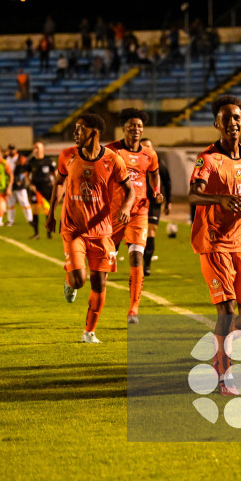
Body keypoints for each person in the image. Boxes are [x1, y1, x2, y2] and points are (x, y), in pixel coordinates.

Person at [189, 95, 241, 396]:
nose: (232, 122)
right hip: (215, 242)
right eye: (225, 118)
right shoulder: (208, 158)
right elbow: (193, 194)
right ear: (217, 123)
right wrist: (219, 199)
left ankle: (221, 347)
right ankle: (223, 374)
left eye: (236, 117)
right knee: (226, 311)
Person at [47, 114, 135, 343]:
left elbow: (130, 190)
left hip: (102, 231)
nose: (75, 133)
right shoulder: (68, 155)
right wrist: (50, 213)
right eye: (75, 129)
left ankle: (89, 332)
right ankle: (69, 282)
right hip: (73, 228)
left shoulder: (113, 160)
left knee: (100, 283)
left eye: (80, 129)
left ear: (94, 133)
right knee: (79, 280)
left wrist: (126, 207)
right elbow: (59, 183)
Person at [105, 109, 163, 325]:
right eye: (131, 125)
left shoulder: (149, 153)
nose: (136, 129)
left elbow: (154, 171)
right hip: (114, 213)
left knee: (136, 255)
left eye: (139, 126)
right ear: (124, 128)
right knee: (104, 262)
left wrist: (155, 190)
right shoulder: (111, 150)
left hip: (140, 211)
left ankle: (133, 309)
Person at [141, 138, 171, 276]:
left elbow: (167, 181)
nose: (147, 149)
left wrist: (168, 201)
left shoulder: (159, 163)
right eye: (144, 146)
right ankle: (137, 259)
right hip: (138, 202)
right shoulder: (135, 162)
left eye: (149, 146)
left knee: (151, 230)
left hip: (154, 201)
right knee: (139, 234)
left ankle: (147, 264)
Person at [27, 140, 56, 239]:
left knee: (47, 210)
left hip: (47, 188)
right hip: (36, 188)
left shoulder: (49, 161)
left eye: (38, 148)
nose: (36, 150)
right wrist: (30, 184)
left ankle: (49, 233)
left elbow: (55, 173)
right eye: (34, 148)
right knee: (35, 210)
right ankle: (36, 234)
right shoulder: (31, 162)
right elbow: (26, 175)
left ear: (43, 149)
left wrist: (56, 184)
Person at [5, 145, 34, 228]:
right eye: (10, 149)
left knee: (24, 201)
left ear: (16, 150)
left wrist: (21, 180)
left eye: (13, 149)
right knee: (10, 203)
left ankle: (30, 219)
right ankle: (10, 220)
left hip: (19, 183)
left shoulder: (21, 158)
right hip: (9, 183)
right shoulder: (6, 158)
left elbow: (24, 170)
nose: (11, 151)